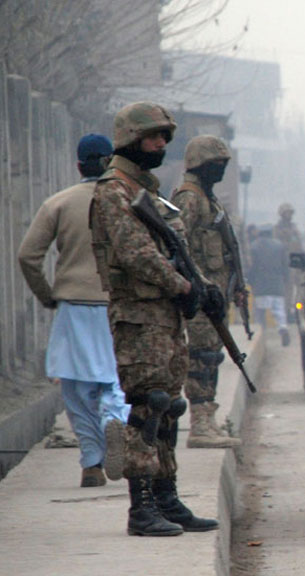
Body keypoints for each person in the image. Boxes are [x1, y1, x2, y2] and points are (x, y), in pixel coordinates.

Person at [90, 101, 220, 536]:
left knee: (170, 408)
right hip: (139, 315)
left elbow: (174, 250)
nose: (162, 144)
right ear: (130, 139)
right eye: (153, 137)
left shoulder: (146, 188)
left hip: (164, 317)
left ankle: (167, 497)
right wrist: (185, 287)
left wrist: (202, 286)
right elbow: (136, 254)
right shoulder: (114, 190)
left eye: (165, 136)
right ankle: (141, 508)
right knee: (149, 407)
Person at [17, 133, 131, 488]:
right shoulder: (129, 202)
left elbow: (28, 256)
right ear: (111, 162)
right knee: (117, 378)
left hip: (74, 306)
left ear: (78, 165)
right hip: (118, 304)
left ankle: (91, 463)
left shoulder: (59, 203)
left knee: (77, 388)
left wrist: (47, 295)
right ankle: (115, 418)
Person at [171, 135, 245, 449]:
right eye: (215, 165)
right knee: (201, 356)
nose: (221, 170)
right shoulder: (189, 198)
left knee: (212, 355)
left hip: (214, 294)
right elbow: (178, 245)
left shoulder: (207, 197)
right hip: (200, 294)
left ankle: (208, 419)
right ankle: (200, 424)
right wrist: (197, 284)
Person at [248, 225, 290, 346]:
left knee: (260, 314)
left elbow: (253, 267)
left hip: (261, 285)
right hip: (277, 284)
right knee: (279, 312)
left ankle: (260, 337)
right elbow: (285, 265)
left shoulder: (254, 246)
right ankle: (283, 329)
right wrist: (286, 279)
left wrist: (250, 280)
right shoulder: (279, 245)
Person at [274, 202, 303, 316]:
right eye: (287, 213)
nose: (289, 215)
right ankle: (287, 310)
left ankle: (298, 309)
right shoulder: (278, 229)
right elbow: (278, 245)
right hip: (285, 261)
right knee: (288, 287)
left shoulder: (294, 227)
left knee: (300, 285)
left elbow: (298, 243)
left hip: (296, 260)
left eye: (290, 213)